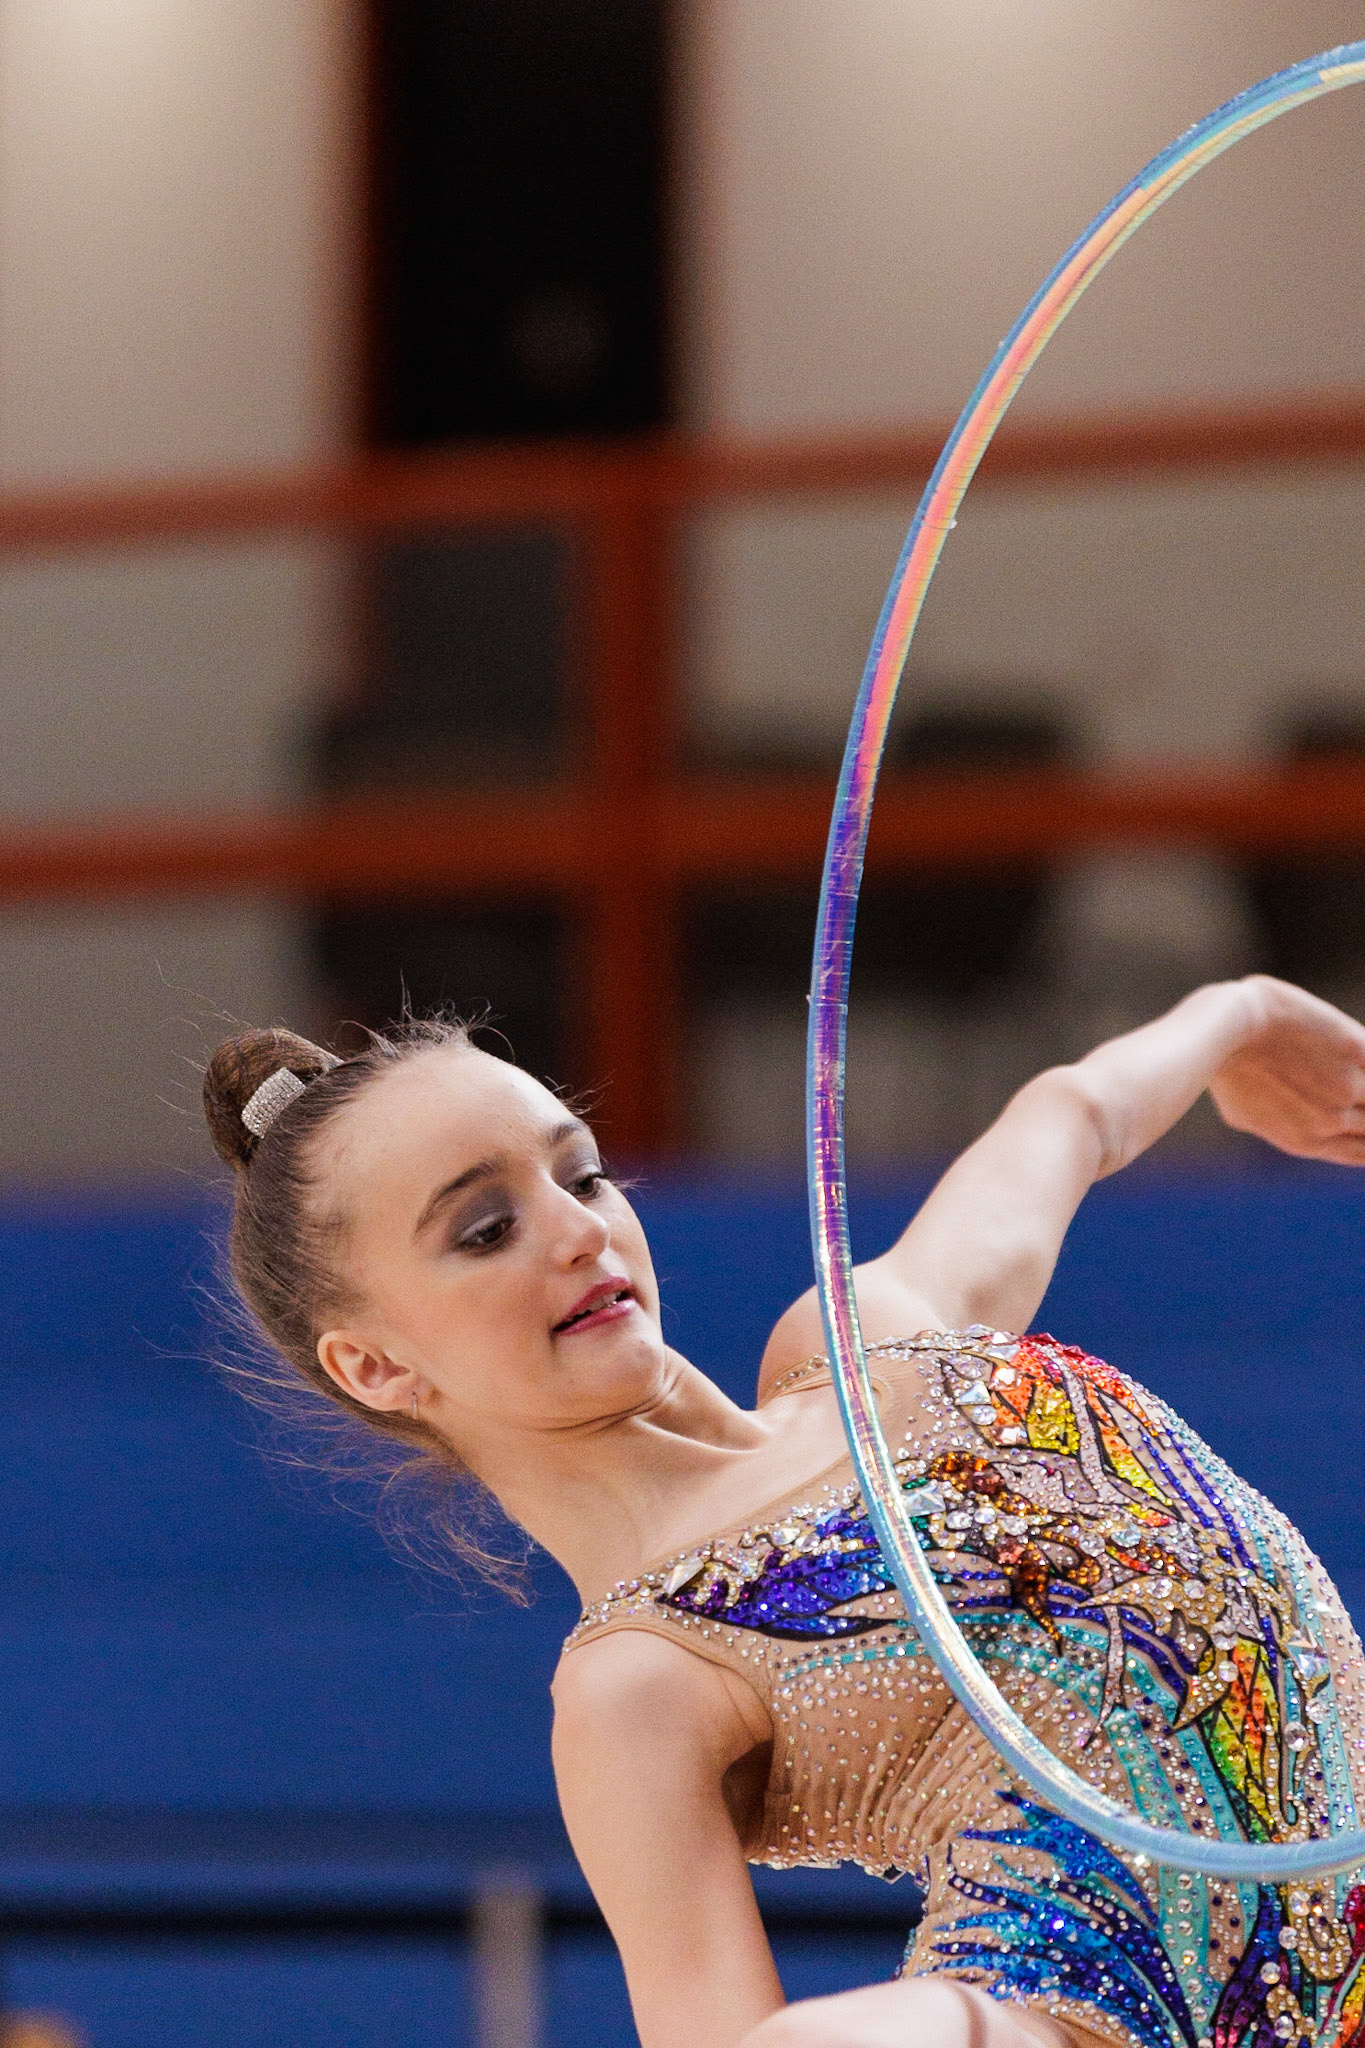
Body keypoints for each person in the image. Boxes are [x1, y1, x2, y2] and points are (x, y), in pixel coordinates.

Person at [202, 975, 1365, 2048]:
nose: (579, 1230)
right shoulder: (636, 1683)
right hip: (1082, 2014)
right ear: (377, 1365)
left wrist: (1245, 1013)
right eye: (486, 1228)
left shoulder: (870, 1343)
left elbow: (1073, 1117)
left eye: (582, 1172)